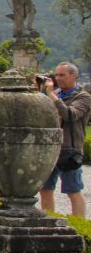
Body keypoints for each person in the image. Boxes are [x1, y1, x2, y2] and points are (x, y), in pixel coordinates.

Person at [39, 62, 91, 218]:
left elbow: (70, 115)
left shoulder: (83, 97)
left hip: (69, 148)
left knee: (73, 191)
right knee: (45, 189)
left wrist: (52, 96)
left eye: (62, 75)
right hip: (50, 147)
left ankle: (79, 226)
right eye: (56, 75)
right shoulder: (53, 93)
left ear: (73, 76)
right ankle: (49, 224)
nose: (58, 78)